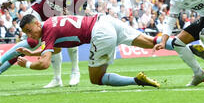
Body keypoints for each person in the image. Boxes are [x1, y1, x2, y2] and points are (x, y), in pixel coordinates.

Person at [15, 14, 160, 88]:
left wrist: (27, 64)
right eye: (26, 34)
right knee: (151, 42)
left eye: (30, 30)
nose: (30, 35)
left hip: (100, 32)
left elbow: (45, 64)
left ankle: (136, 81)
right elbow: (55, 47)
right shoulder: (50, 22)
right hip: (105, 20)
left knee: (96, 79)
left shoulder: (47, 32)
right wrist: (33, 53)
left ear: (36, 23)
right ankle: (177, 40)